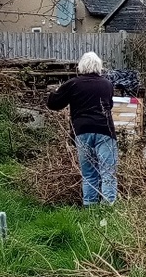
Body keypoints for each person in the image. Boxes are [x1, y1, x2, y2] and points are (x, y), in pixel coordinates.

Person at [47, 51, 118, 205]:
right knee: (108, 173)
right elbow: (109, 106)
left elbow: (54, 104)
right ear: (99, 66)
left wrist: (54, 92)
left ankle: (90, 208)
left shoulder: (73, 84)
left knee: (89, 174)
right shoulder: (107, 84)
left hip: (82, 131)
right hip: (105, 131)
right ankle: (109, 208)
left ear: (81, 66)